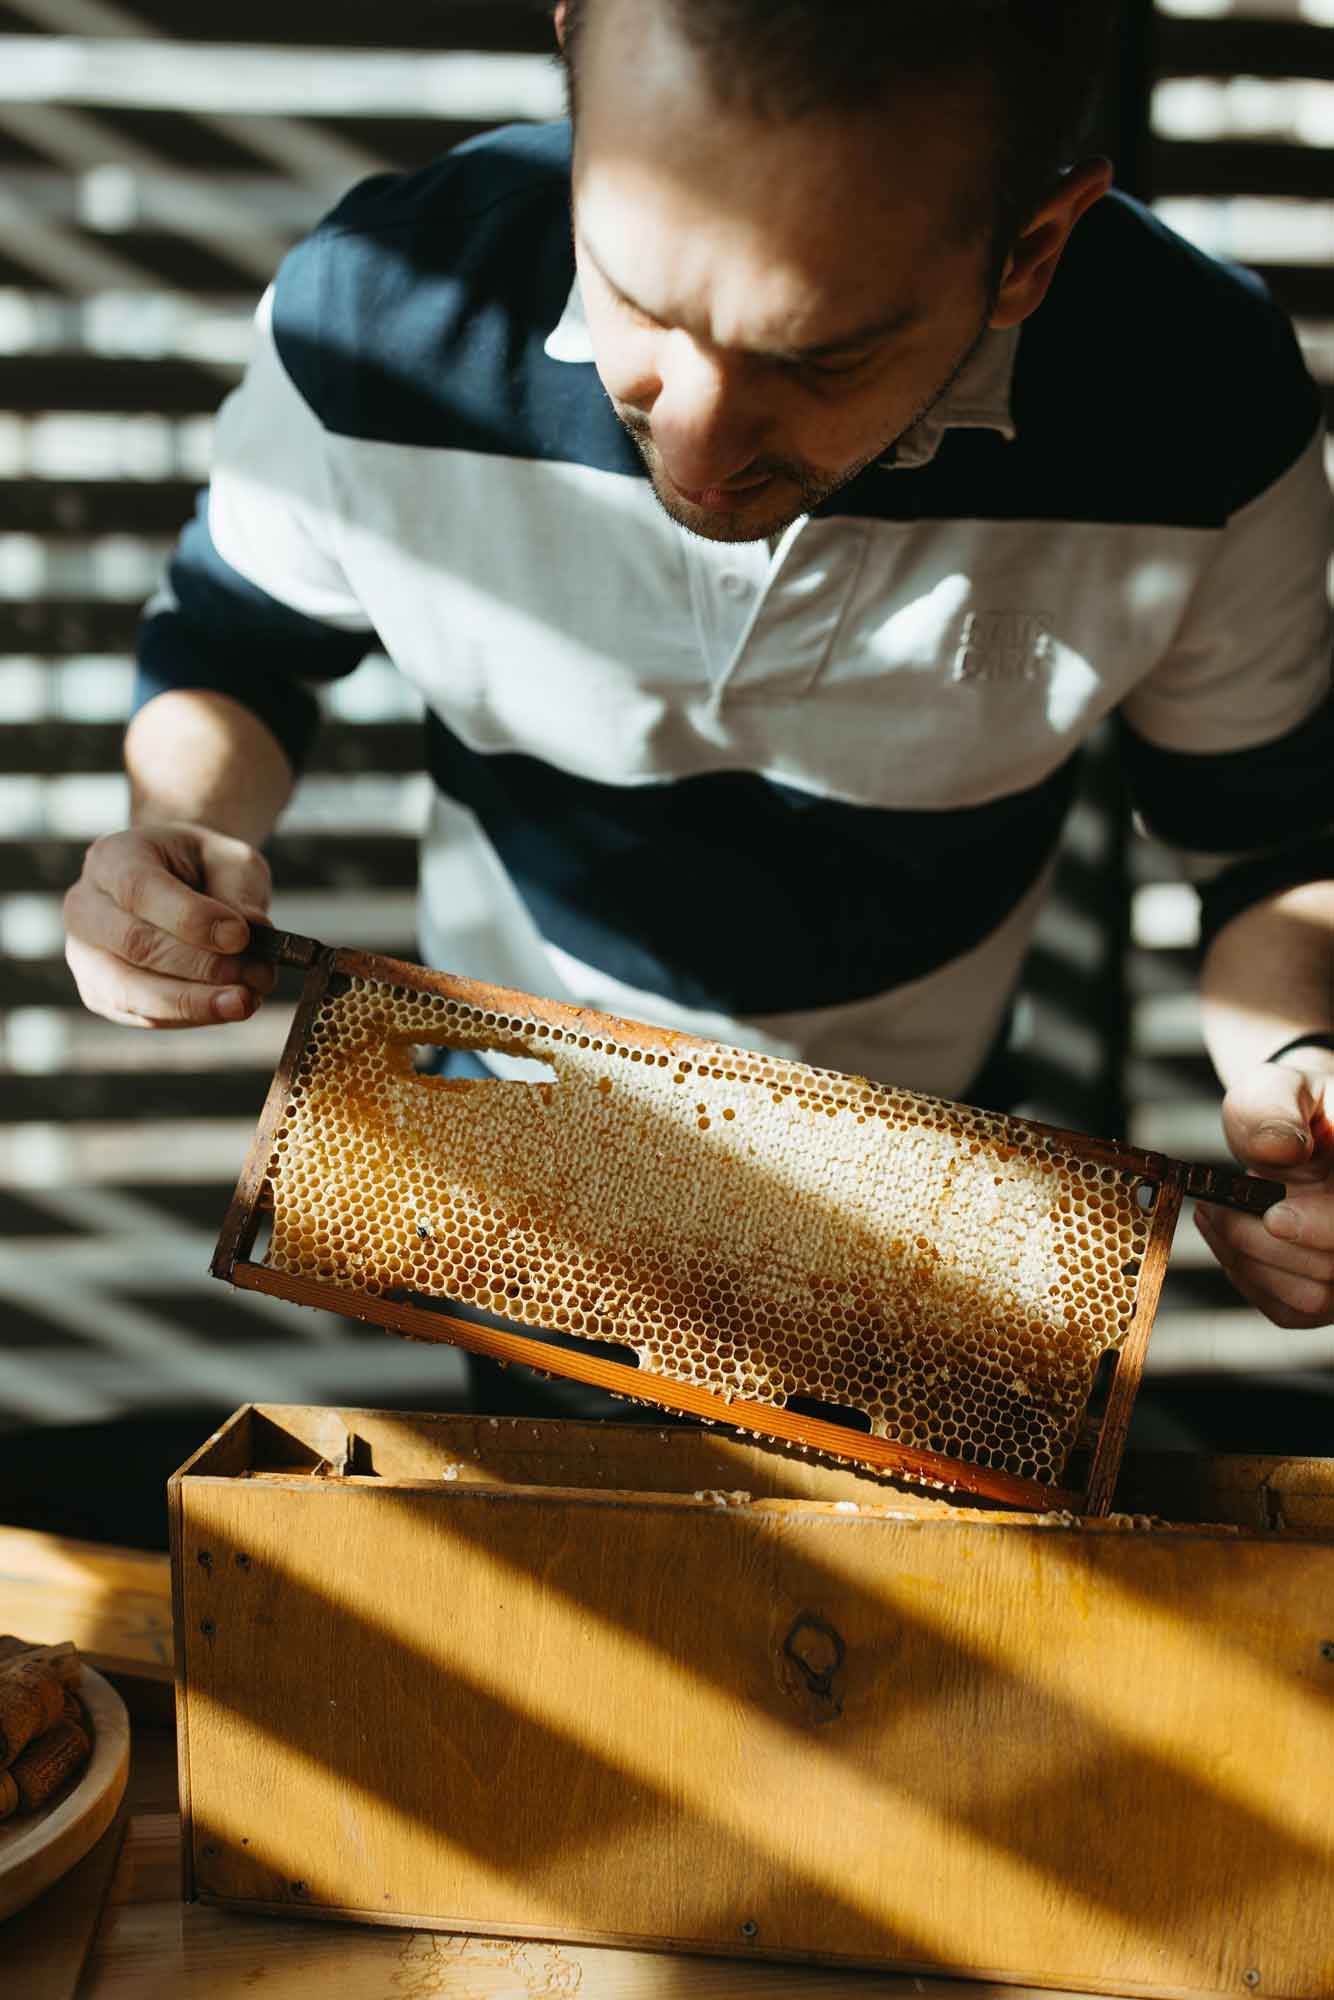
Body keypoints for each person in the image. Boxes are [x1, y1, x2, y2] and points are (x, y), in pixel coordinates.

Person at [64, 0, 1334, 1343]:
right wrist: (181, 828)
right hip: (503, 1149)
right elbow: (237, 643)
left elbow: (1263, 843)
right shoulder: (373, 316)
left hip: (933, 1188)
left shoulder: (1205, 403)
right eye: (635, 294)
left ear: (1027, 251)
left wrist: (1298, 1075)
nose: (698, 450)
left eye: (818, 357)